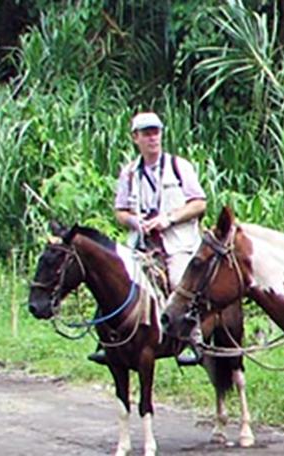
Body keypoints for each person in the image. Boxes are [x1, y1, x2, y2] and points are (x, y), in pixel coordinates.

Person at [93, 111, 207, 366]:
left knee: (180, 282)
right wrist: (135, 221)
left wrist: (169, 218)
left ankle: (195, 341)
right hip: (142, 244)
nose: (152, 138)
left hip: (176, 243)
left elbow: (199, 203)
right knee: (110, 280)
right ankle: (106, 341)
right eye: (146, 133)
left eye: (155, 132)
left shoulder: (179, 166)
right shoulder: (130, 173)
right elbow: (120, 211)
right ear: (136, 138)